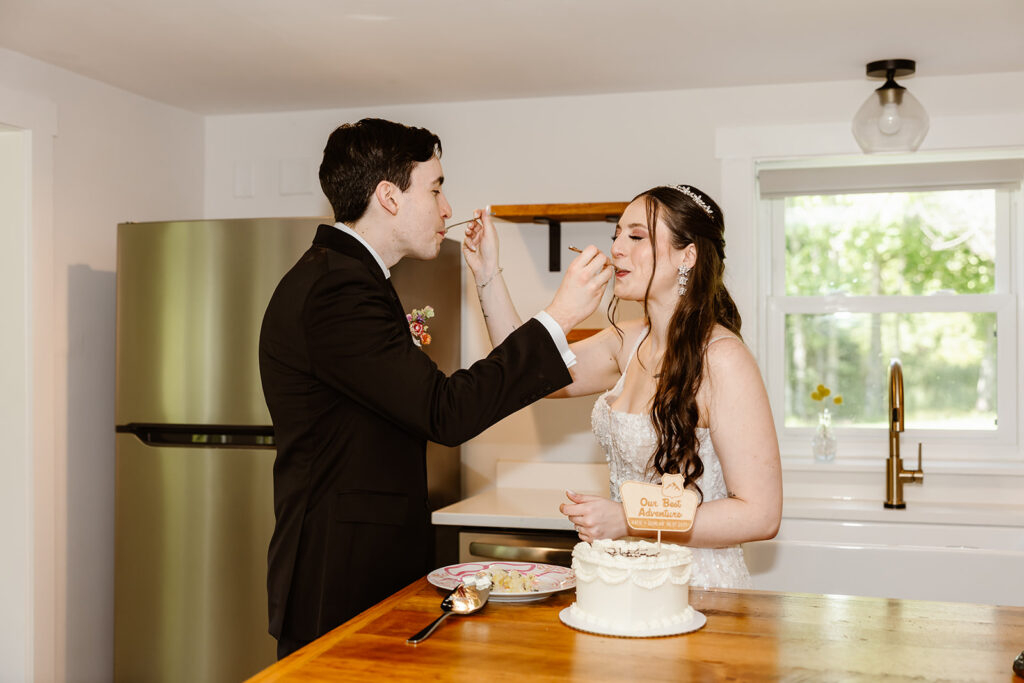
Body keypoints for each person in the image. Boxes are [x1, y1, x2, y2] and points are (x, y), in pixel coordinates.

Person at [258, 118, 612, 658]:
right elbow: (444, 412)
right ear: (388, 197)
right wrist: (559, 315)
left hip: (356, 567)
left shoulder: (348, 277)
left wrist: (489, 277)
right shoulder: (339, 289)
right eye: (437, 188)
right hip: (339, 576)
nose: (448, 208)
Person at [464, 184, 782, 589]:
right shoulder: (625, 342)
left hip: (694, 586)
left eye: (636, 237)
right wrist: (487, 274)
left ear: (688, 255)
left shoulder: (722, 358)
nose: (616, 249)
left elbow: (761, 514)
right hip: (618, 577)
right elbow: (526, 371)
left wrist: (629, 519)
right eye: (617, 235)